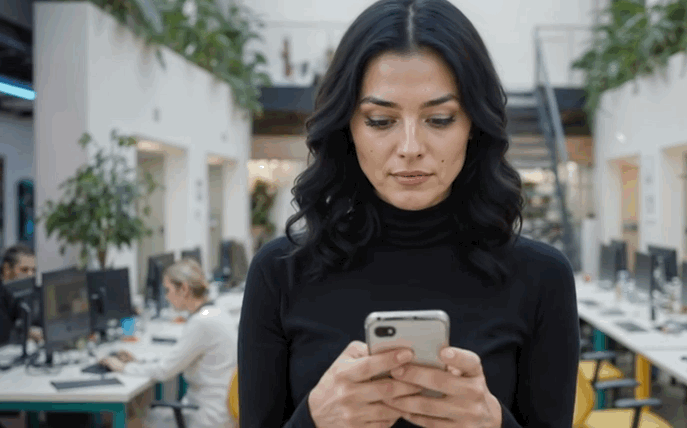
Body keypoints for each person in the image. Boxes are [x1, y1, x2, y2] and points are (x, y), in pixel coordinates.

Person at [237, 0, 580, 427]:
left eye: (439, 118)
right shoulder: (279, 272)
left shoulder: (542, 277)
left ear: (474, 125)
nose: (411, 146)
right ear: (348, 128)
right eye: (381, 120)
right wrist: (314, 419)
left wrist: (494, 423)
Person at [99, 258, 237, 428]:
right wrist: (138, 362)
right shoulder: (216, 313)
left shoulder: (201, 322)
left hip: (205, 417)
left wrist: (123, 367)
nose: (166, 296)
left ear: (184, 289)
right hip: (220, 411)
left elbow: (165, 371)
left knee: (132, 421)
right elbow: (175, 361)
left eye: (168, 290)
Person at [0, 244, 43, 343]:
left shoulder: (32, 293)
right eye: (24, 270)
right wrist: (27, 333)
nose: (30, 275)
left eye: (33, 270)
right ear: (7, 269)